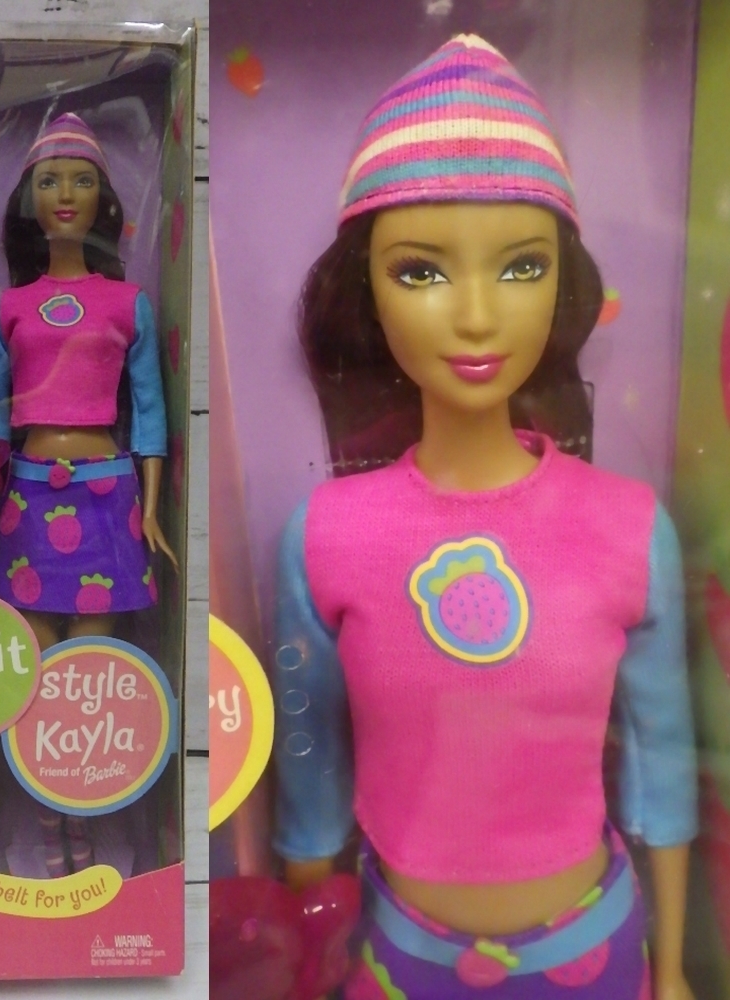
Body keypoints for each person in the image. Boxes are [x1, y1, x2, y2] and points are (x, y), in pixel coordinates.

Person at [273, 36, 697, 999]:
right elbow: (310, 779)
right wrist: (306, 959)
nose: (475, 315)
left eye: (520, 267)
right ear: (364, 292)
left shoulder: (629, 528)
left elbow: (664, 766)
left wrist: (674, 971)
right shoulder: (326, 537)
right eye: (421, 271)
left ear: (564, 283)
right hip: (395, 958)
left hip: (594, 955)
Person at [0, 112, 175, 877]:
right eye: (50, 181)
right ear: (29, 199)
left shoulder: (128, 303)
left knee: (93, 677)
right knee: (36, 677)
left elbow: (148, 410)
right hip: (27, 503)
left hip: (107, 502)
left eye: (82, 181)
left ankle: (85, 822)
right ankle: (42, 819)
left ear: (103, 201)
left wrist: (153, 508)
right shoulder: (10, 306)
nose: (65, 194)